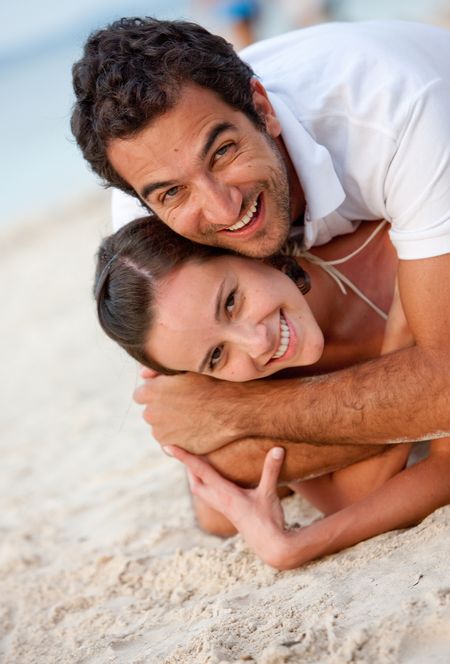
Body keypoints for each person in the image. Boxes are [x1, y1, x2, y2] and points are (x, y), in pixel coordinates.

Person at [71, 19, 450, 473]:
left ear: (262, 108)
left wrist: (236, 413)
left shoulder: (396, 112)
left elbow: (445, 382)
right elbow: (208, 456)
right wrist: (400, 394)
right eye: (172, 193)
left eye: (222, 152)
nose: (223, 208)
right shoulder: (148, 210)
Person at [93, 215, 450, 569]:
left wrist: (302, 544)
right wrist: (401, 346)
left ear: (249, 253)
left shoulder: (411, 246)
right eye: (216, 355)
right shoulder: (260, 380)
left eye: (231, 302)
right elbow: (350, 494)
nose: (257, 342)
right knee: (218, 491)